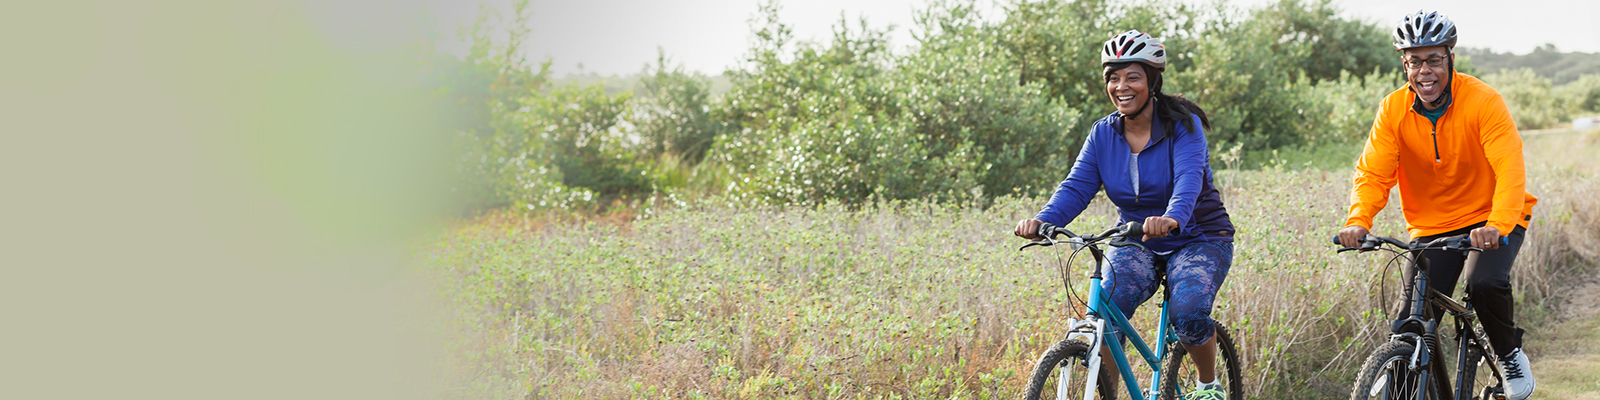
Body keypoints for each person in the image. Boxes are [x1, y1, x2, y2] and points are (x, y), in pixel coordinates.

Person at [1014, 30, 1234, 400]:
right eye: (1113, 78)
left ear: (1152, 80)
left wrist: (1172, 217)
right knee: (1104, 316)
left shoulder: (1183, 126)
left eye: (1132, 76)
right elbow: (1077, 187)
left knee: (1189, 312)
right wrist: (1043, 219)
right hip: (1136, 237)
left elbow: (1188, 180)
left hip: (1198, 236)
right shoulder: (1103, 134)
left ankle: (1208, 385)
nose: (1121, 86)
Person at [1335, 10, 1538, 400]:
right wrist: (1358, 220)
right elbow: (1374, 173)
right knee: (1412, 322)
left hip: (1492, 218)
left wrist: (1497, 224)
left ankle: (1509, 354)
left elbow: (1510, 170)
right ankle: (1406, 381)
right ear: (1404, 64)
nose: (1424, 71)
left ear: (1450, 59)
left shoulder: (1483, 101)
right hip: (1431, 227)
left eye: (1433, 60)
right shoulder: (1393, 110)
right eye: (1415, 61)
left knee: (1484, 284)